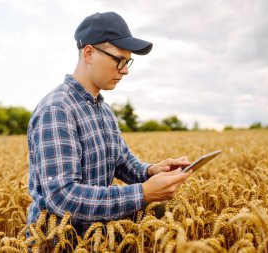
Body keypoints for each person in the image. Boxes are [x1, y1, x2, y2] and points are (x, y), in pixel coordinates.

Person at [26, 11, 193, 236]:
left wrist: (152, 171)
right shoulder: (57, 109)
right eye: (119, 60)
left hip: (96, 240)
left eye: (128, 62)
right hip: (59, 245)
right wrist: (142, 193)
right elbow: (62, 197)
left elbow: (121, 162)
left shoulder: (103, 109)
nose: (125, 70)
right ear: (89, 53)